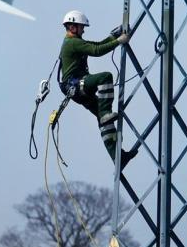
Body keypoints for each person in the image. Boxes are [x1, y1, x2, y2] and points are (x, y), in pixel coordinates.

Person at [58, 10, 138, 168]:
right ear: (73, 27)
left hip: (75, 88)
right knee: (105, 77)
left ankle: (118, 157)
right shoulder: (72, 42)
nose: (83, 29)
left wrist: (112, 37)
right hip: (76, 84)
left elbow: (95, 45)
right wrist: (119, 41)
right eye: (81, 27)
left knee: (103, 120)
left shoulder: (74, 42)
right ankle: (106, 113)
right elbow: (97, 51)